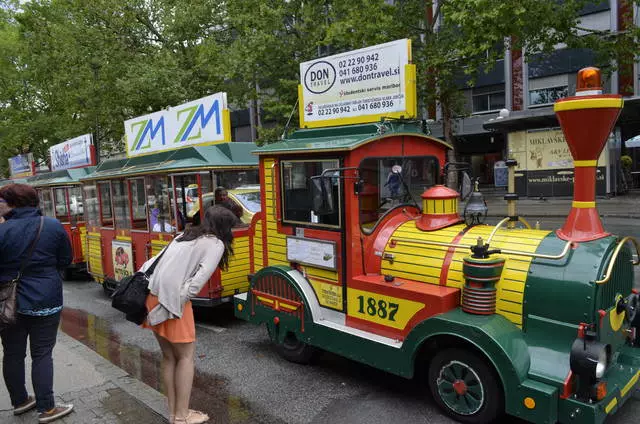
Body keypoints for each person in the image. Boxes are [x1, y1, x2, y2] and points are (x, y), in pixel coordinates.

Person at [140, 205, 236, 424]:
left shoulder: (185, 234)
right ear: (224, 228)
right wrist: (173, 305)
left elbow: (154, 263)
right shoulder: (215, 243)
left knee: (169, 356)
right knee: (185, 357)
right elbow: (196, 284)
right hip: (172, 302)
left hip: (152, 295)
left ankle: (174, 413)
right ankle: (182, 418)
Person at [0, 184, 74, 423]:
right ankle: (47, 408)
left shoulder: (2, 231)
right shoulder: (51, 225)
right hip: (45, 299)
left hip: (7, 303)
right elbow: (66, 259)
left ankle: (20, 401)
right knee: (42, 353)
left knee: (12, 352)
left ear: (12, 204)